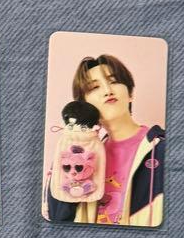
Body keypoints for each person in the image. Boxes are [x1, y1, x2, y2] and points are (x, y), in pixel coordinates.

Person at [45, 54, 164, 227]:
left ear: (130, 93)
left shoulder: (162, 149)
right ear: (85, 105)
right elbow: (58, 219)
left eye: (113, 81)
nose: (107, 90)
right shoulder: (81, 156)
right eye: (94, 87)